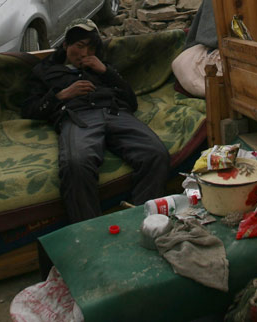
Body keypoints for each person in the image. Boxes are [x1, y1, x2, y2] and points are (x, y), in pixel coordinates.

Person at [22, 21, 169, 222]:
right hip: (78, 116)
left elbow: (131, 101)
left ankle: (143, 221)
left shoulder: (102, 67)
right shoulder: (45, 70)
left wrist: (106, 71)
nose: (85, 53)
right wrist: (61, 95)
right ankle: (90, 230)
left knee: (155, 153)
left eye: (91, 48)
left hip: (115, 112)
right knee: (76, 163)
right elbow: (29, 109)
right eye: (80, 46)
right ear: (66, 45)